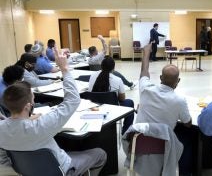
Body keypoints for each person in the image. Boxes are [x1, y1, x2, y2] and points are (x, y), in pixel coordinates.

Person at [0, 47, 107, 176]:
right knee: (100, 154)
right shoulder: (42, 125)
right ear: (28, 107)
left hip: (28, 171)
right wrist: (64, 69)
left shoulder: (2, 129)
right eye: (33, 99)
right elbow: (72, 100)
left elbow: (4, 159)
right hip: (62, 170)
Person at [135, 44, 193, 176]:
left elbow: (144, 71)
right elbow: (188, 123)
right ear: (178, 81)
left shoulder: (145, 89)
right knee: (188, 136)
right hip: (162, 144)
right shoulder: (179, 100)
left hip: (139, 142)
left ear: (160, 78)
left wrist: (146, 53)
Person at [88, 56, 135, 134]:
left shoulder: (93, 76)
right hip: (112, 108)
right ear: (113, 68)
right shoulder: (117, 80)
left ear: (101, 66)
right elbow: (122, 99)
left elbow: (90, 92)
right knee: (130, 102)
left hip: (95, 107)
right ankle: (126, 132)